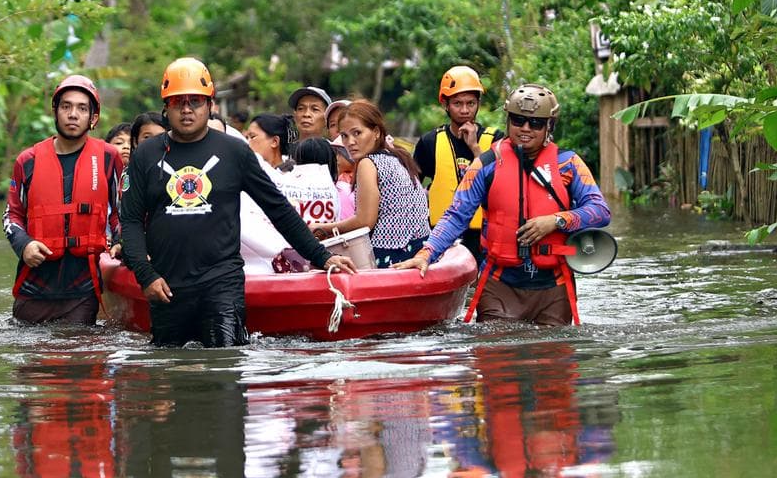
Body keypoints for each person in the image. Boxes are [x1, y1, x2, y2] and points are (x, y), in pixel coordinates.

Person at [120, 57, 356, 347]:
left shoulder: (235, 152)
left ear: (210, 104)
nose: (186, 109)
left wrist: (322, 256)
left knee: (225, 367)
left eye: (195, 101)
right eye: (177, 102)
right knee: (171, 374)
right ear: (165, 107)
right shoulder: (146, 155)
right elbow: (130, 221)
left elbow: (278, 210)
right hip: (167, 286)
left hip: (222, 284)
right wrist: (145, 276)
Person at [394, 84, 611, 326]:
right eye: (518, 120)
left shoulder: (568, 164)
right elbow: (456, 216)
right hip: (499, 286)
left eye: (536, 123)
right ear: (508, 120)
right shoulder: (485, 165)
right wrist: (426, 254)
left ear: (550, 126)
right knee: (495, 357)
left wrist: (557, 220)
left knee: (553, 358)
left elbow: (600, 211)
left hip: (553, 287)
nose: (525, 128)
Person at [4, 74, 124, 325]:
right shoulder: (27, 161)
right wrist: (24, 245)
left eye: (82, 108)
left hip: (82, 291)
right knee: (34, 363)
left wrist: (121, 240)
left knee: (79, 359)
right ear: (55, 112)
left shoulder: (108, 157)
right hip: (33, 289)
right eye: (66, 106)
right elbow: (12, 215)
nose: (73, 114)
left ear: (93, 118)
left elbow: (119, 212)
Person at [309, 101, 430, 267]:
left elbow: (365, 221)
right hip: (418, 249)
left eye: (357, 133)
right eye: (344, 136)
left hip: (392, 255)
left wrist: (323, 228)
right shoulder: (398, 157)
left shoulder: (368, 163)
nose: (350, 142)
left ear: (376, 132)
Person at [412, 66, 504, 264]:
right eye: (457, 103)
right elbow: (411, 188)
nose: (465, 110)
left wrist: (475, 148)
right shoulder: (430, 142)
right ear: (445, 104)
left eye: (471, 103)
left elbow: (503, 187)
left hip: (485, 236)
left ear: (478, 103)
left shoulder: (496, 140)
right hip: (443, 235)